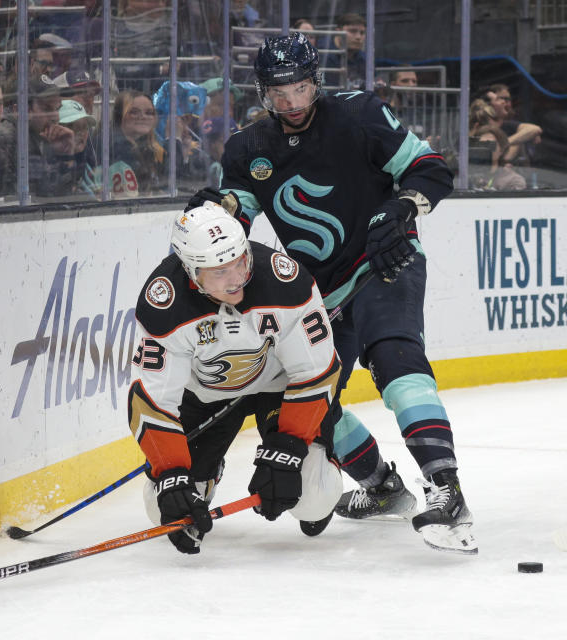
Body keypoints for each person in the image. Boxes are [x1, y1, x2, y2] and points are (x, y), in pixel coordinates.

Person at [188, 33, 475, 553]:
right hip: (318, 292)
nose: (292, 103)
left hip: (384, 260)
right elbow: (239, 218)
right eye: (280, 93)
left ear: (315, 81)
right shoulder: (248, 148)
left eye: (300, 88)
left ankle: (447, 490)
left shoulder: (360, 114)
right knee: (310, 395)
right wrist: (218, 211)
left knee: (394, 357)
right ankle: (382, 489)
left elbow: (431, 168)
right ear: (263, 92)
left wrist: (405, 204)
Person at [128, 201, 344, 553]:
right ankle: (208, 470)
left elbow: (318, 372)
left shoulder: (284, 281)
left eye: (239, 262)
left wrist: (288, 448)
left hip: (281, 389)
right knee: (160, 508)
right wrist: (171, 474)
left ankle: (326, 461)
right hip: (208, 397)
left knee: (313, 497)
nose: (236, 278)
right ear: (191, 271)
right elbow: (152, 401)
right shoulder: (164, 303)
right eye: (218, 272)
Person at [110, 89, 164, 197]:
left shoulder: (148, 147)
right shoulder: (115, 149)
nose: (143, 117)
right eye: (134, 112)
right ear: (120, 115)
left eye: (149, 113)